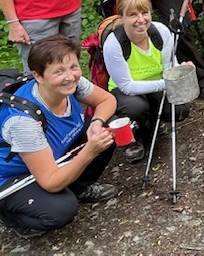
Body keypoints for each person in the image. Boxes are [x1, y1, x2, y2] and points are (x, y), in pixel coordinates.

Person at [0, 35, 117, 239]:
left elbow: (107, 100)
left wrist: (97, 123)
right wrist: (89, 152)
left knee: (105, 130)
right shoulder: (23, 122)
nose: (69, 76)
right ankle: (12, 217)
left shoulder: (72, 84)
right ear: (38, 76)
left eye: (73, 67)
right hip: (13, 178)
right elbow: (50, 181)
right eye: (58, 71)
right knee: (60, 210)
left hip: (52, 156)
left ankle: (79, 188)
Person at [103, 0, 191, 163]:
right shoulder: (113, 44)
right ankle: (131, 138)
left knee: (180, 108)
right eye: (132, 15)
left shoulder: (161, 32)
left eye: (145, 13)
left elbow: (169, 67)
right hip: (126, 92)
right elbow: (127, 86)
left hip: (156, 84)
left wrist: (181, 70)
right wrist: (166, 83)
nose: (141, 20)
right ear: (121, 17)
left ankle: (154, 123)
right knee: (135, 108)